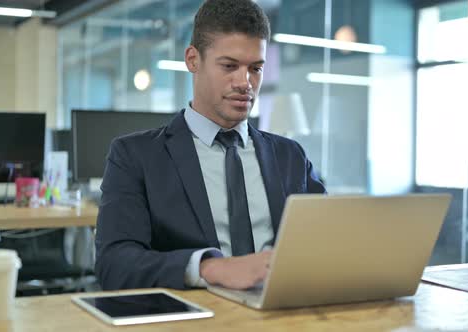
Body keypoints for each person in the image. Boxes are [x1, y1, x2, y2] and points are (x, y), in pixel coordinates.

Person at [95, 0, 326, 291]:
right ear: (193, 59)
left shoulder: (290, 156)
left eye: (255, 68)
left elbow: (329, 241)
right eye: (229, 66)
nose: (245, 83)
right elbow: (113, 264)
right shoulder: (135, 156)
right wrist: (209, 267)